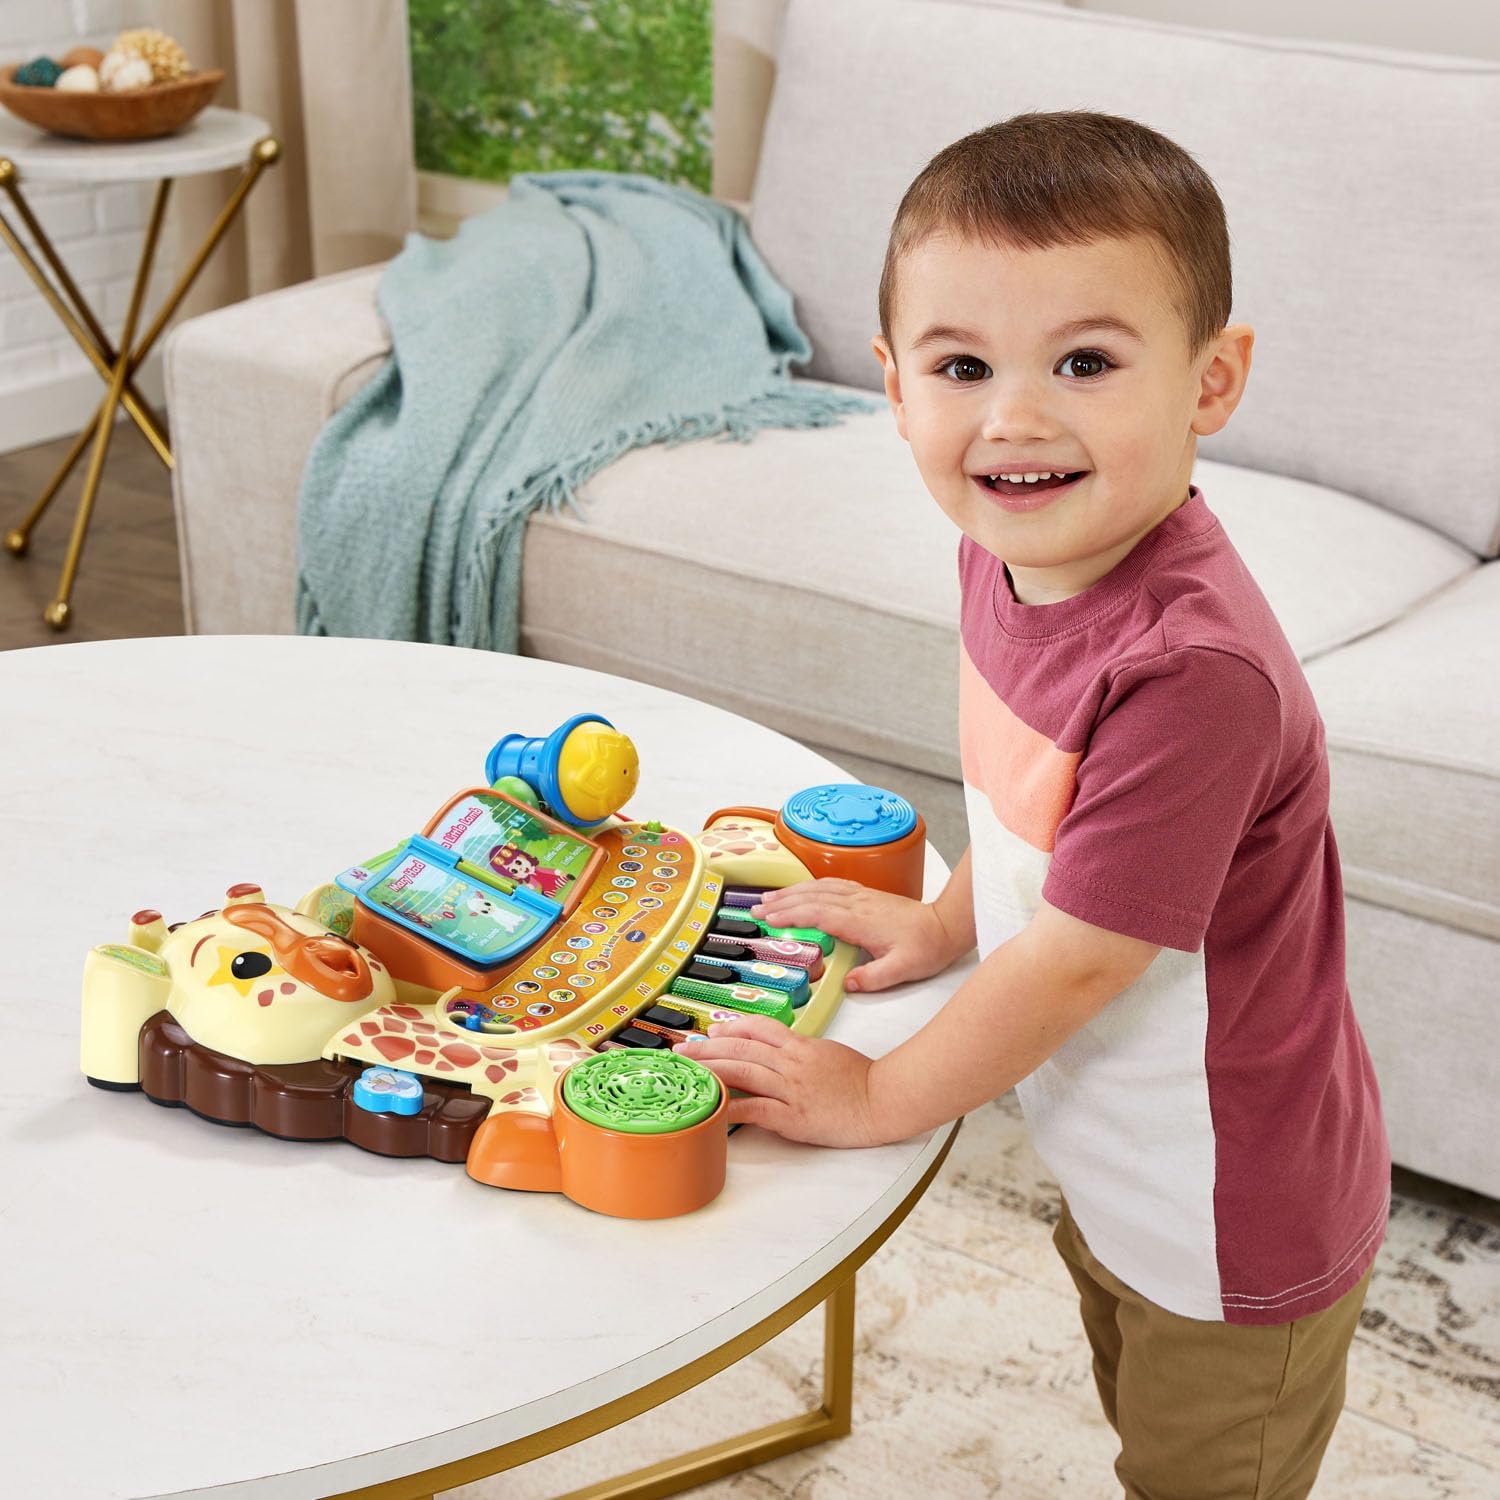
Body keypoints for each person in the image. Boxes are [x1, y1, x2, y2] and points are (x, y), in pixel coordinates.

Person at [675, 110, 1390, 1499]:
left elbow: (1081, 958)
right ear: (894, 387)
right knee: (1138, 1407)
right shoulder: (1007, 552)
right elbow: (1032, 818)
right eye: (963, 367)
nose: (1015, 419)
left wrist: (880, 1093)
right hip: (1121, 1155)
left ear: (1211, 380)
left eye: (1085, 362)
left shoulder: (1192, 675)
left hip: (1231, 1205)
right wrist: (947, 924)